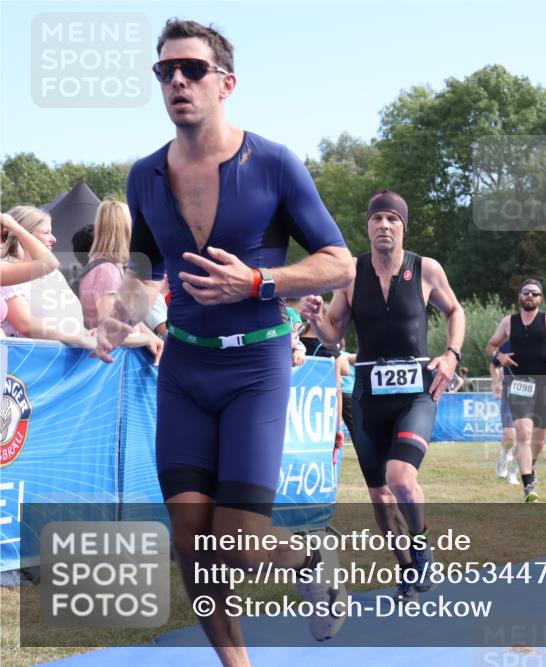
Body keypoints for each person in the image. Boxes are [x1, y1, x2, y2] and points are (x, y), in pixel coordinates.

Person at [93, 19, 356, 658]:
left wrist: (260, 281)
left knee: (235, 544)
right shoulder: (144, 175)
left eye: (192, 70)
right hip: (184, 367)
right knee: (190, 539)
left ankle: (309, 563)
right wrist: (119, 309)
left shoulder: (273, 164)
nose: (177, 81)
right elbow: (142, 271)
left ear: (226, 83)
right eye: (165, 71)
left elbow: (340, 263)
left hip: (256, 368)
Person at [300, 189, 465, 603]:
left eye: (393, 219)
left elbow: (455, 312)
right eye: (377, 220)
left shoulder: (426, 269)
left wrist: (451, 355)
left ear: (403, 227)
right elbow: (334, 338)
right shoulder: (352, 275)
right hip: (367, 398)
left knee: (401, 477)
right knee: (379, 497)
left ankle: (423, 548)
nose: (384, 226)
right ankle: (407, 569)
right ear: (368, 227)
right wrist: (317, 320)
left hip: (417, 395)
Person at [486, 279, 546, 502]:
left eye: (534, 293)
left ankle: (531, 467)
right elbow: (491, 345)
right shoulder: (509, 322)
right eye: (526, 292)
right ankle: (528, 486)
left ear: (540, 298)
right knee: (523, 434)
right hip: (520, 384)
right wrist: (500, 356)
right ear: (520, 297)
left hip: (545, 383)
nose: (530, 296)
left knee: (539, 437)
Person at [78, 199, 163, 362]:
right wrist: (148, 339)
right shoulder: (106, 271)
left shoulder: (103, 266)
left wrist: (153, 337)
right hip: (114, 363)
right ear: (126, 230)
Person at [2, 206, 87, 342]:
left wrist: (86, 333)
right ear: (25, 234)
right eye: (46, 232)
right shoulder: (8, 269)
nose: (53, 239)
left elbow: (64, 319)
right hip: (29, 358)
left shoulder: (53, 275)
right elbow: (25, 325)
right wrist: (78, 338)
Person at [491, 340, 519, 485]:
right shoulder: (507, 345)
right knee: (510, 435)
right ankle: (503, 457)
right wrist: (496, 383)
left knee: (524, 438)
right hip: (509, 393)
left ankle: (513, 474)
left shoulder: (538, 343)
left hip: (530, 393)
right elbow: (494, 365)